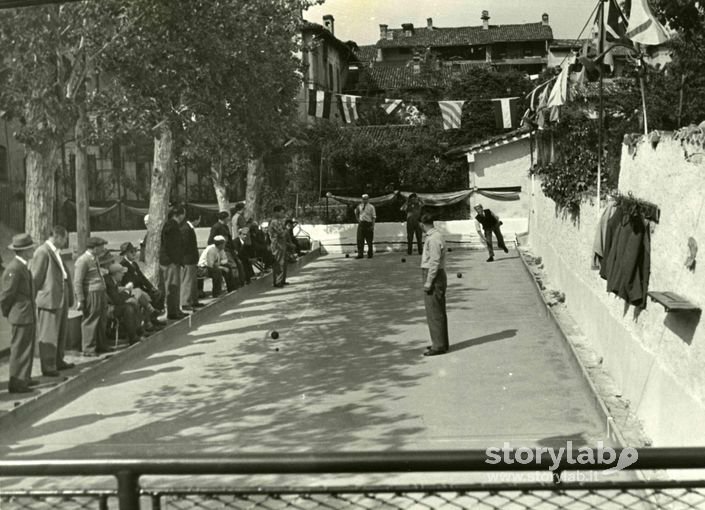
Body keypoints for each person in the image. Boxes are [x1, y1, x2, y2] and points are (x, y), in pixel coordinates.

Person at [31, 225, 75, 377]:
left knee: (60, 332)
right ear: (56, 236)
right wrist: (34, 298)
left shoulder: (57, 252)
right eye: (64, 238)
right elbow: (35, 278)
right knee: (48, 334)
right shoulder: (42, 252)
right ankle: (48, 365)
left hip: (60, 297)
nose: (65, 242)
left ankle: (58, 360)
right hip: (49, 299)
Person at [0, 234, 38, 393]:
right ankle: (17, 384)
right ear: (23, 251)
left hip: (26, 314)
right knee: (19, 350)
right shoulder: (14, 269)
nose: (33, 250)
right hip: (20, 315)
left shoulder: (22, 266)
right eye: (31, 248)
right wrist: (9, 312)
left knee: (27, 348)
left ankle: (24, 378)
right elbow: (6, 295)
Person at [74, 236, 109, 357]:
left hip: (100, 292)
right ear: (94, 248)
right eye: (101, 246)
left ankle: (100, 345)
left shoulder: (95, 259)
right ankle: (88, 348)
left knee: (101, 320)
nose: (103, 249)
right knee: (91, 319)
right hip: (91, 293)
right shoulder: (83, 260)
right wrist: (80, 299)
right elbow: (78, 281)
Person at [420, 213, 449, 356]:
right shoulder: (437, 235)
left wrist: (429, 281)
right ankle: (441, 342)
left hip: (434, 275)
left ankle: (438, 345)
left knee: (434, 312)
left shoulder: (433, 239)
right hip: (438, 274)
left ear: (422, 224)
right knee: (438, 310)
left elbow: (434, 262)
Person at [104, 263, 146, 345]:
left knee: (133, 304)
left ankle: (138, 331)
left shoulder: (113, 280)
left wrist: (130, 298)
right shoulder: (109, 282)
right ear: (116, 274)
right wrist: (128, 299)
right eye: (121, 273)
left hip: (114, 305)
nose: (123, 275)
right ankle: (133, 336)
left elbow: (119, 296)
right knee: (128, 308)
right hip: (108, 308)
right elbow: (116, 299)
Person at [119, 241, 165, 312]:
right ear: (125, 254)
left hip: (141, 288)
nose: (134, 253)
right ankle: (153, 315)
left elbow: (142, 278)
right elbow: (127, 281)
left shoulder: (134, 264)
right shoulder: (123, 265)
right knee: (146, 297)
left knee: (158, 293)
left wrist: (151, 287)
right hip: (132, 290)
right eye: (131, 252)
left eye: (135, 251)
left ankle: (157, 314)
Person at [160, 206, 187, 320]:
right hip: (171, 261)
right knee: (173, 286)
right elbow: (172, 246)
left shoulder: (172, 226)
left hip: (173, 260)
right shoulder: (172, 226)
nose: (184, 217)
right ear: (178, 215)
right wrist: (174, 260)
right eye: (183, 214)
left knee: (176, 286)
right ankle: (172, 311)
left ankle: (176, 309)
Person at [180, 214, 202, 311]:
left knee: (193, 281)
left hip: (191, 259)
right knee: (187, 281)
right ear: (196, 219)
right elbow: (184, 245)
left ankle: (193, 300)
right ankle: (185, 302)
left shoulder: (189, 228)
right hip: (187, 259)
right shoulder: (186, 229)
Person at [269, 205, 289, 287]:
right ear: (276, 212)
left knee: (283, 262)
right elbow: (282, 234)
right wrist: (287, 228)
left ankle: (282, 280)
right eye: (281, 212)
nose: (282, 214)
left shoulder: (278, 221)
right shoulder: (274, 222)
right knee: (279, 263)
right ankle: (278, 281)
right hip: (277, 244)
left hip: (281, 244)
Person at [355, 193, 376, 259]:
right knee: (360, 239)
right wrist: (358, 220)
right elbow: (356, 213)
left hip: (368, 223)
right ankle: (360, 254)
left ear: (368, 199)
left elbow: (373, 217)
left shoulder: (371, 207)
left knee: (369, 240)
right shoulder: (359, 206)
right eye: (363, 199)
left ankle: (370, 253)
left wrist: (373, 225)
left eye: (366, 199)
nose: (365, 200)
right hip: (361, 223)